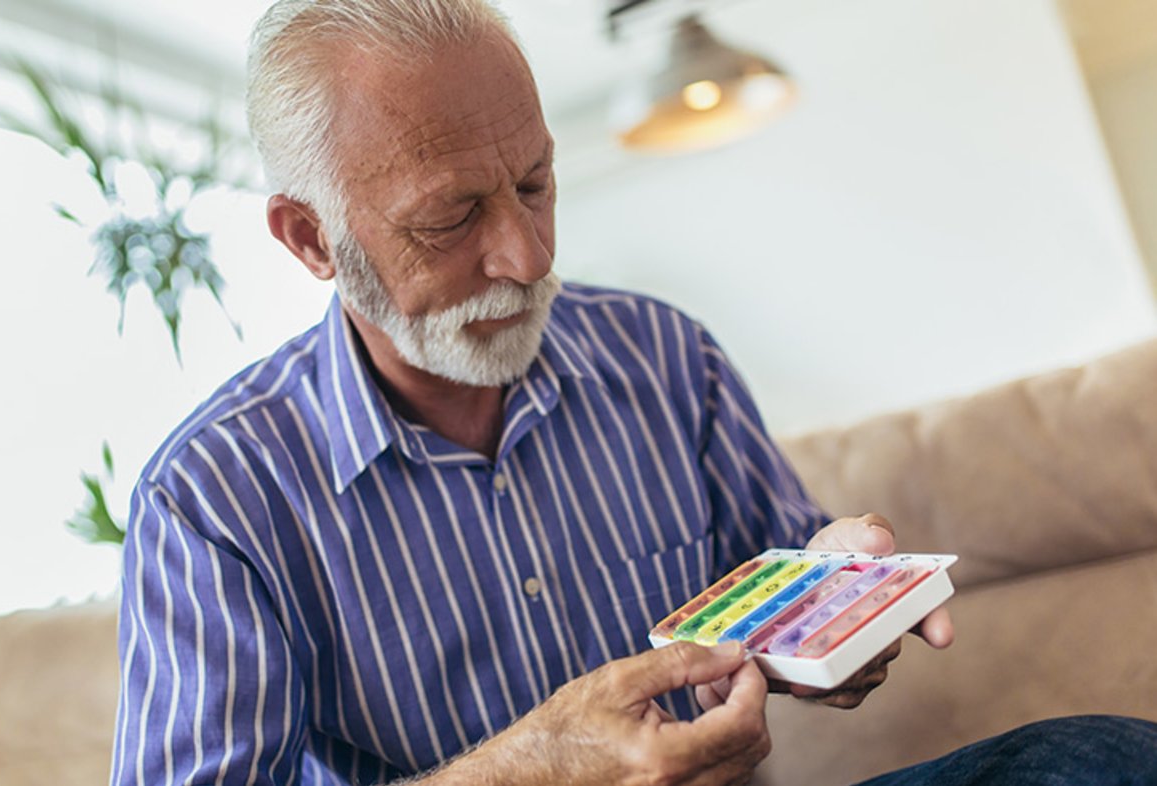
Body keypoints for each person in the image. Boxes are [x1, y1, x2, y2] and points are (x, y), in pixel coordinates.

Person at [110, 2, 1157, 784]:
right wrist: (529, 766)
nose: (523, 255)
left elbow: (792, 583)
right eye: (449, 219)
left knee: (1100, 762)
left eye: (533, 183)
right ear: (310, 238)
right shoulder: (211, 500)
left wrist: (837, 611)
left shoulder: (663, 355)